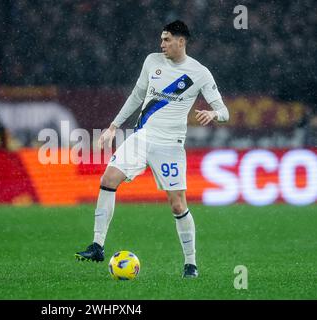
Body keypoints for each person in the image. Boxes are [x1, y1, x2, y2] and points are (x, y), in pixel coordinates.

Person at [75, 20, 229, 278]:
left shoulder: (199, 72)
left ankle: (190, 263)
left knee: (178, 205)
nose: (162, 44)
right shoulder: (152, 61)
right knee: (108, 179)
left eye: (167, 39)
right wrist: (113, 126)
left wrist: (213, 113)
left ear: (181, 41)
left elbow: (225, 112)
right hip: (142, 136)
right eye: (161, 39)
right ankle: (98, 245)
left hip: (170, 145)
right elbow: (137, 95)